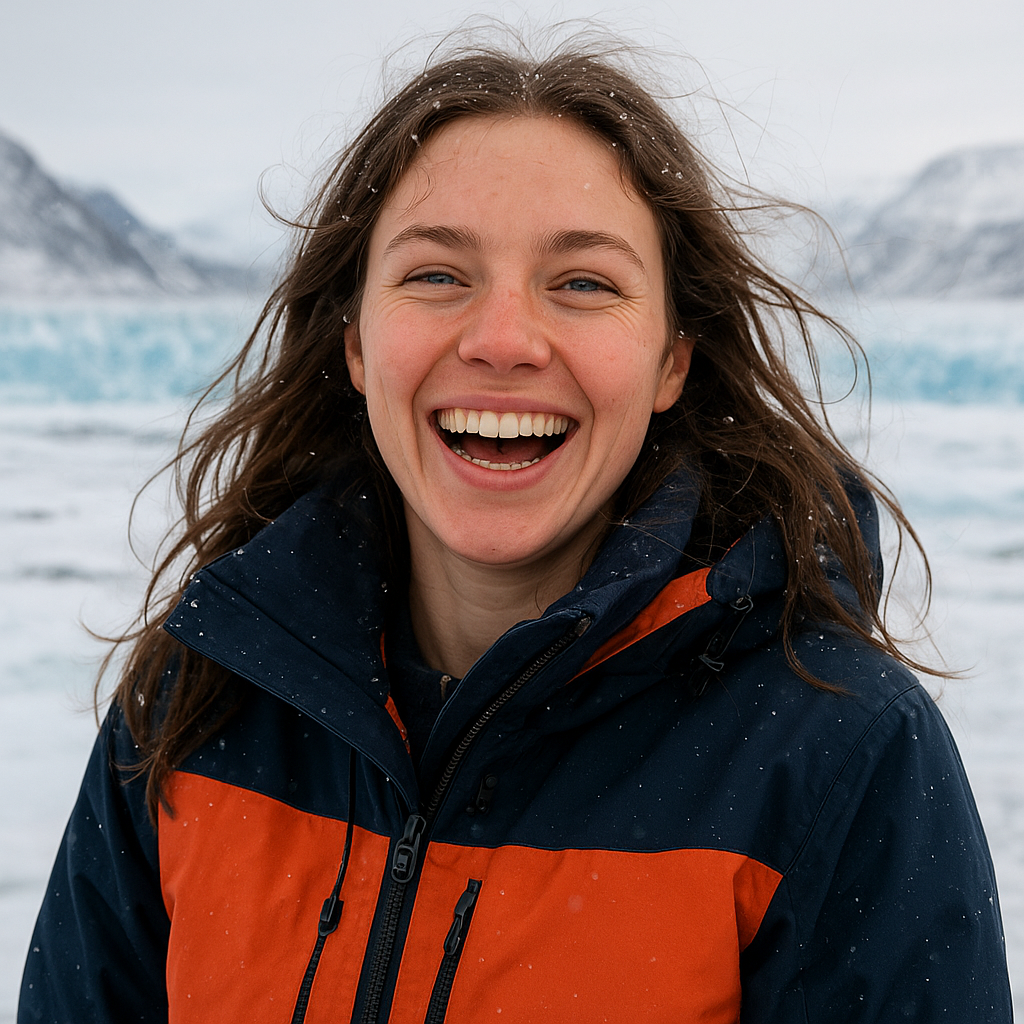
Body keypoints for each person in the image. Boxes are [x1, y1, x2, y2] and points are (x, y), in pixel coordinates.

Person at [19, 37, 1012, 1024]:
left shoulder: (836, 747)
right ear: (357, 344)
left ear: (671, 360)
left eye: (582, 283)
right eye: (435, 275)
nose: (501, 339)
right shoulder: (199, 705)